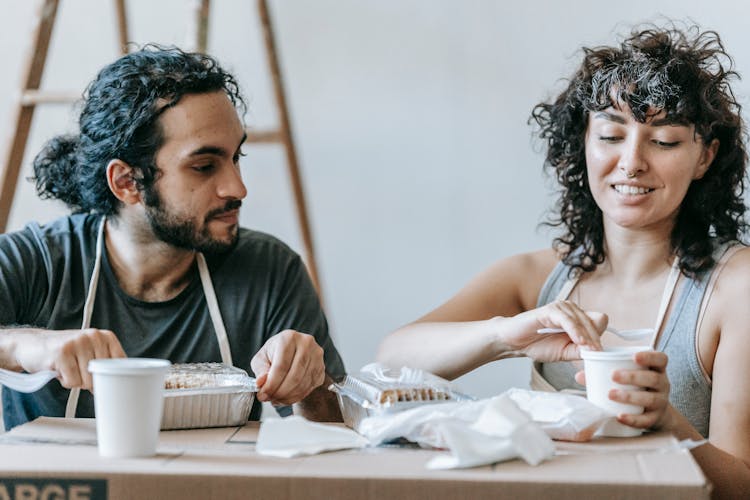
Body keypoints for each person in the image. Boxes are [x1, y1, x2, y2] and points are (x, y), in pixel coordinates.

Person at [377, 25, 750, 496]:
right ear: (584, 144)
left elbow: (742, 483)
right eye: (612, 135)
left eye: (665, 141)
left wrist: (671, 425)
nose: (632, 162)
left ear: (705, 156)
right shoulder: (536, 278)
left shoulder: (737, 288)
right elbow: (392, 360)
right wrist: (503, 337)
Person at [0, 45, 345, 429]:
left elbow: (336, 442)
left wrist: (311, 385)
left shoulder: (270, 271)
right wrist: (25, 345)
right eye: (204, 166)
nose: (237, 188)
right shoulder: (39, 261)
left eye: (235, 158)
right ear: (127, 182)